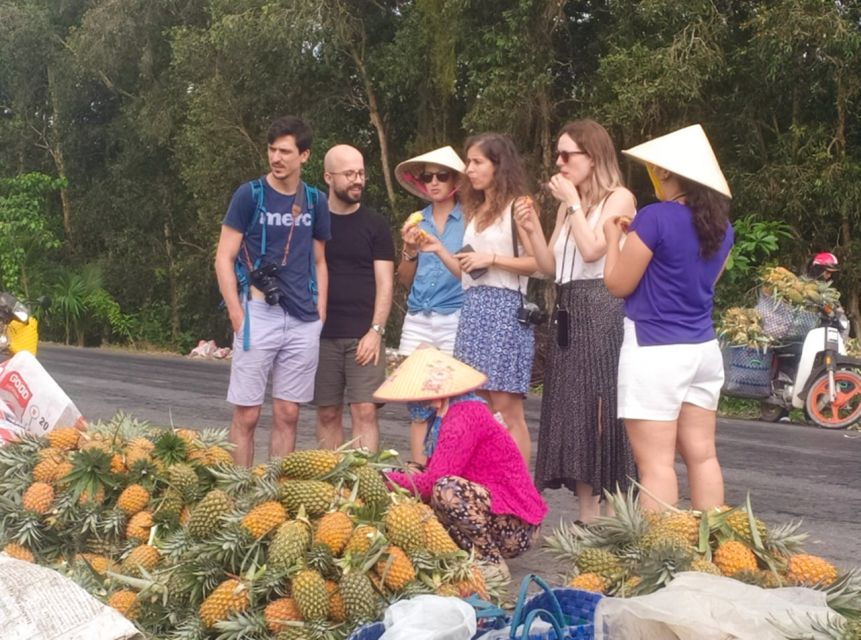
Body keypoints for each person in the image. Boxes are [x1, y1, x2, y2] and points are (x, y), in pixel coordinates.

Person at [602, 124, 734, 511]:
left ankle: (661, 555)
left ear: (663, 171)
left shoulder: (655, 217)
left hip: (655, 349)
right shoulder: (723, 228)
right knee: (703, 455)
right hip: (702, 351)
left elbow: (618, 284)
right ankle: (712, 547)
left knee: (656, 465)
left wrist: (614, 241)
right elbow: (703, 279)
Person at [514, 119, 637, 523]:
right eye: (558, 154)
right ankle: (587, 515)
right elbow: (549, 266)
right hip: (566, 307)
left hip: (601, 307)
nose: (560, 162)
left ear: (593, 156)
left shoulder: (618, 198)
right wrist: (530, 230)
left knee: (600, 410)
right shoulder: (572, 207)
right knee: (573, 411)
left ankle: (615, 514)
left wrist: (572, 204)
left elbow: (591, 251)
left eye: (568, 155)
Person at [214, 116, 330, 466]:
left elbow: (321, 261)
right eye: (271, 150)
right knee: (247, 413)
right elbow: (224, 256)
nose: (276, 158)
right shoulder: (249, 195)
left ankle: (274, 494)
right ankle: (240, 492)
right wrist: (236, 313)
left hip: (302, 318)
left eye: (285, 151)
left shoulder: (315, 200)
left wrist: (320, 312)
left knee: (288, 412)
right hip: (258, 314)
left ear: (304, 155)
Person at [425, 133, 541, 462]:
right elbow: (466, 272)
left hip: (505, 308)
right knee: (478, 404)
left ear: (498, 165)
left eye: (477, 162)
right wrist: (437, 249)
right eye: (469, 162)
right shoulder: (476, 210)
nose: (469, 169)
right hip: (474, 308)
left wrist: (492, 258)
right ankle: (488, 483)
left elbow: (540, 264)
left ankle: (518, 489)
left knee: (507, 407)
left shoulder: (519, 205)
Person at [379, 346, 547, 571]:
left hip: (515, 524)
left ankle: (491, 562)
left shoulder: (464, 415)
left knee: (446, 490)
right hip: (489, 507)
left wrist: (381, 477)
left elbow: (433, 482)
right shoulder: (443, 415)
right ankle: (464, 555)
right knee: (411, 471)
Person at [313, 145, 395, 452]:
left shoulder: (376, 224)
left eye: (361, 173)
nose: (357, 180)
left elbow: (385, 283)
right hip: (321, 335)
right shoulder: (314, 223)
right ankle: (332, 487)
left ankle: (365, 486)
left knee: (364, 410)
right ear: (328, 177)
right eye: (349, 174)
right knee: (328, 412)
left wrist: (376, 331)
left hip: (365, 336)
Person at [394, 146, 466, 464]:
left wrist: (438, 250)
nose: (434, 182)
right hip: (419, 315)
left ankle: (446, 470)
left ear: (456, 181)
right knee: (418, 399)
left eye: (442, 175)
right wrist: (409, 251)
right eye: (428, 177)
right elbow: (405, 279)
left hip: (454, 314)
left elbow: (472, 275)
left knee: (452, 399)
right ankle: (419, 471)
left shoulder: (469, 220)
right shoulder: (417, 221)